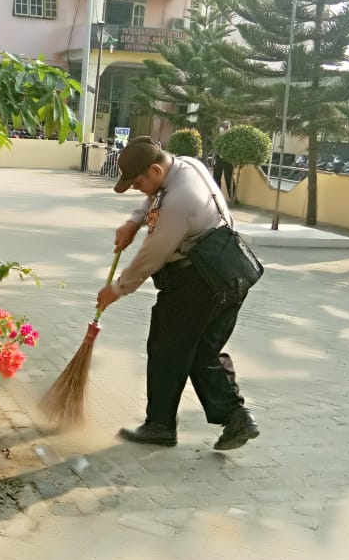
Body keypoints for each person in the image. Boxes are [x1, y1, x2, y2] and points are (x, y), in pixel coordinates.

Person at [95, 136, 259, 451]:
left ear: (155, 169)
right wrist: (133, 222)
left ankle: (159, 425)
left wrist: (117, 289)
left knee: (167, 349)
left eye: (137, 181)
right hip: (230, 271)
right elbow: (154, 198)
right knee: (203, 351)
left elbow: (152, 255)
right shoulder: (186, 166)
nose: (136, 188)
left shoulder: (179, 201)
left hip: (196, 282)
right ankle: (238, 418)